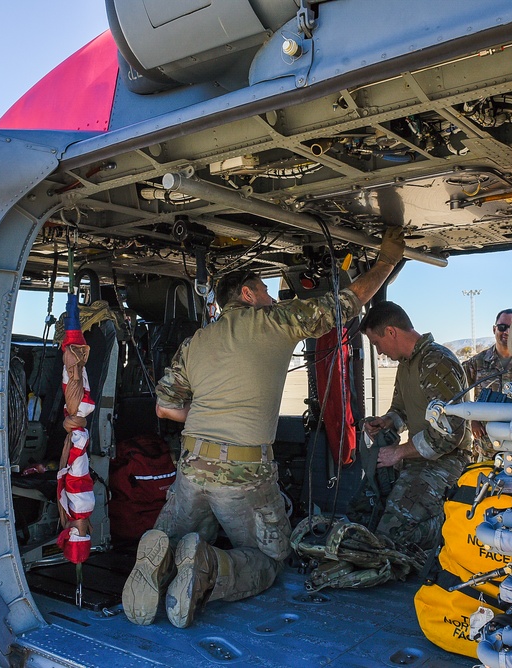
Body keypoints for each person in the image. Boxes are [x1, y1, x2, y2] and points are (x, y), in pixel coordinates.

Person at [121, 227, 406, 628]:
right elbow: (346, 302)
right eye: (266, 290)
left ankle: (163, 555)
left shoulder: (197, 341)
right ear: (248, 295)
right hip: (243, 475)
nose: (272, 297)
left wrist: (208, 417)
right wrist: (387, 262)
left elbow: (166, 407)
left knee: (174, 537)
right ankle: (206, 567)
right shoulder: (272, 321)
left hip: (191, 467)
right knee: (269, 560)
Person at [360, 301, 471, 551]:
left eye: (377, 343)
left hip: (448, 460)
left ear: (391, 332)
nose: (378, 352)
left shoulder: (436, 362)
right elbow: (400, 410)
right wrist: (387, 422)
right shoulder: (407, 364)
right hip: (419, 458)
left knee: (392, 537)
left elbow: (449, 435)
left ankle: (450, 529)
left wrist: (399, 452)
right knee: (366, 514)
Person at [464, 308, 512, 460]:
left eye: (511, 328)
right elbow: (459, 388)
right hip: (487, 445)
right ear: (494, 329)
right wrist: (472, 419)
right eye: (502, 327)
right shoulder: (477, 362)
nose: (506, 331)